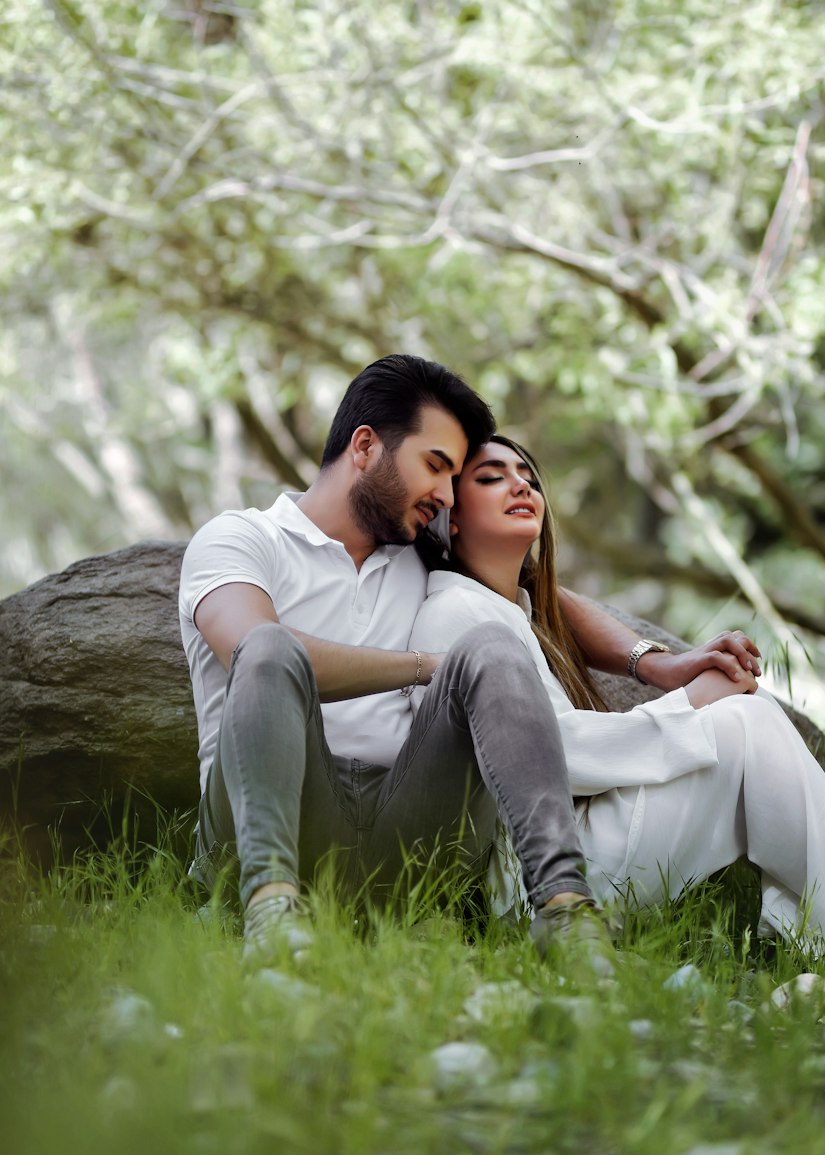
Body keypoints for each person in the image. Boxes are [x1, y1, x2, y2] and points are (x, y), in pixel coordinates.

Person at [408, 436, 825, 974]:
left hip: (585, 847)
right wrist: (690, 702)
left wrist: (681, 686)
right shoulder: (455, 612)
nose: (520, 486)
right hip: (543, 879)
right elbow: (554, 755)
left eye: (528, 477)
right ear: (451, 517)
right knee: (746, 722)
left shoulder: (516, 611)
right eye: (491, 478)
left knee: (749, 722)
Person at [180, 355, 612, 968]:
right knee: (273, 646)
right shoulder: (240, 540)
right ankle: (271, 915)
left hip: (412, 832)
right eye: (435, 466)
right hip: (272, 825)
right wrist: (424, 665)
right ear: (364, 447)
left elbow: (537, 584)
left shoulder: (418, 548)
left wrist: (652, 661)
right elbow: (255, 650)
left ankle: (566, 913)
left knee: (493, 641)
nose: (444, 495)